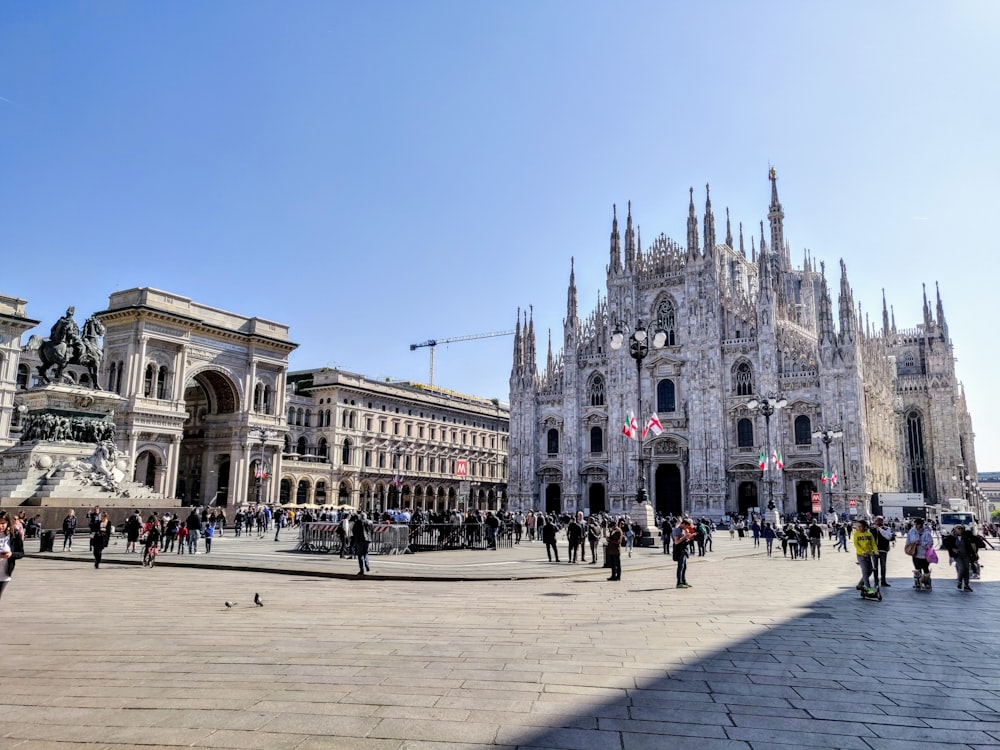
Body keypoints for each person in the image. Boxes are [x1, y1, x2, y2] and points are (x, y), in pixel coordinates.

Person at [940, 525, 985, 592]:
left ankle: (966, 585)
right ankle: (960, 581)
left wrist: (976, 541)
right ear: (955, 530)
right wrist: (952, 549)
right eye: (958, 529)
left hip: (966, 555)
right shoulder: (951, 537)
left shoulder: (967, 536)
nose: (960, 530)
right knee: (961, 568)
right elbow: (945, 543)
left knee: (966, 570)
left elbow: (979, 543)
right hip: (958, 556)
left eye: (961, 529)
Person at [0, 512, 25, 603]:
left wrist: (11, 554)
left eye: (3, 523)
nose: (1, 526)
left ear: (8, 523)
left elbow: (21, 553)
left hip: (4, 574)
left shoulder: (14, 535)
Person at [905, 518, 935, 590]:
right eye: (915, 524)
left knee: (925, 569)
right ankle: (918, 583)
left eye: (918, 524)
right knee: (917, 569)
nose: (916, 526)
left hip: (925, 554)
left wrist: (921, 543)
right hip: (915, 553)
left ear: (921, 525)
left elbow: (930, 543)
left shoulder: (927, 533)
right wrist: (913, 543)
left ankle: (927, 582)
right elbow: (908, 541)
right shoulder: (912, 531)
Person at [851, 520, 878, 591]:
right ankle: (868, 588)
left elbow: (873, 543)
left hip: (868, 555)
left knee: (869, 571)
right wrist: (863, 551)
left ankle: (860, 584)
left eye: (861, 526)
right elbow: (856, 545)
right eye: (858, 526)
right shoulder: (856, 534)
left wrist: (876, 551)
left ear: (865, 527)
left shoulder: (869, 534)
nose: (859, 528)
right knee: (865, 571)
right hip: (860, 555)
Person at [672, 518, 695, 588]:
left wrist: (688, 536)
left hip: (684, 549)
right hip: (679, 550)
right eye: (686, 526)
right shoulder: (677, 530)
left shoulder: (683, 530)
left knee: (684, 567)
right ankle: (679, 583)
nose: (687, 528)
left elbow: (684, 539)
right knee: (680, 567)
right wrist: (685, 536)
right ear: (683, 524)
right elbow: (676, 542)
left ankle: (683, 581)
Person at [871, 516, 893, 586]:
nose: (878, 522)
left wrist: (880, 529)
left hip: (883, 549)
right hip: (874, 550)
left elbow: (888, 537)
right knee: (875, 567)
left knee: (883, 566)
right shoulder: (871, 529)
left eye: (880, 520)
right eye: (877, 520)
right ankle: (876, 582)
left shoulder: (887, 529)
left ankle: (883, 581)